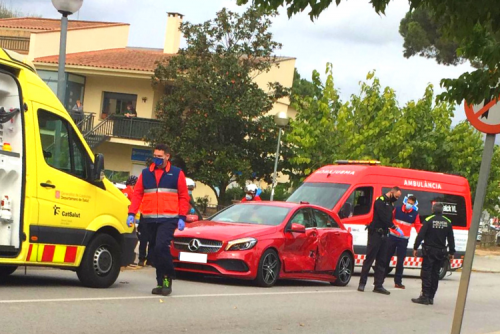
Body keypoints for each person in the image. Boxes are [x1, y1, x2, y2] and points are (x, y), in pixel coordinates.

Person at [128, 144, 190, 296]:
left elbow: (183, 196)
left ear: (167, 157)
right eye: (155, 156)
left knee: (162, 247)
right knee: (154, 253)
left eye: (159, 156)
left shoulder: (176, 174)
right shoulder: (146, 173)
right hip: (149, 220)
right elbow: (137, 194)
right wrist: (131, 213)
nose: (156, 159)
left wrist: (182, 216)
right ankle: (159, 282)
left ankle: (168, 278)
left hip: (168, 219)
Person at [358, 186, 403, 295]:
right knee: (369, 258)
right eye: (396, 196)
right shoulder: (380, 201)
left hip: (384, 234)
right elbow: (384, 218)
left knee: (382, 261)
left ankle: (378, 285)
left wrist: (391, 227)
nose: (397, 199)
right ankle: (362, 283)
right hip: (375, 234)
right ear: (392, 192)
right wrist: (394, 227)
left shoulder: (391, 204)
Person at [412, 202, 455, 305]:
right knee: (435, 274)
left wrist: (415, 247)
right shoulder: (448, 222)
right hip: (441, 252)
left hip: (429, 251)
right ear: (442, 211)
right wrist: (452, 252)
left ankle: (424, 297)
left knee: (426, 273)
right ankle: (431, 297)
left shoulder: (429, 220)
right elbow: (451, 239)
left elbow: (421, 235)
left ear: (433, 210)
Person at [385, 195, 422, 289]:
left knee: (400, 261)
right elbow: (389, 219)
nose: (409, 205)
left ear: (414, 205)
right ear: (405, 202)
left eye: (411, 204)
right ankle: (379, 280)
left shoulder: (414, 214)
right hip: (392, 237)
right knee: (386, 258)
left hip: (403, 239)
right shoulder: (397, 209)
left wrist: (421, 236)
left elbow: (417, 226)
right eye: (408, 202)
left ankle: (398, 282)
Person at [122, 175, 150, 267]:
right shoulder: (127, 191)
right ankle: (127, 258)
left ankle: (131, 258)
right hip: (130, 219)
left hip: (136, 219)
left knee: (137, 238)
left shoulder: (134, 192)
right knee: (131, 239)